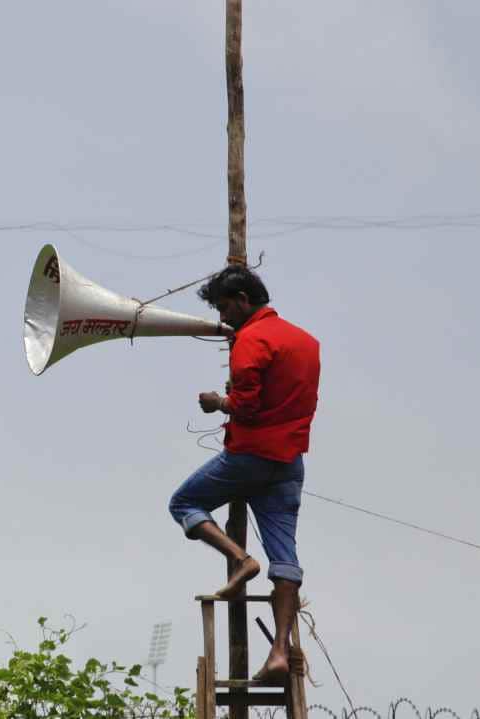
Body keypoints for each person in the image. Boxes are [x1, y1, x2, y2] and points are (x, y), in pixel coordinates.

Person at [168, 264, 320, 681]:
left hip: (250, 455)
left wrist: (219, 402)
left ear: (243, 300)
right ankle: (279, 652)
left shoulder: (250, 340)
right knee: (285, 558)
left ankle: (240, 560)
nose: (222, 317)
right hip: (289, 461)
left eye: (224, 308)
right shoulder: (306, 341)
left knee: (183, 502)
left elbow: (248, 407)